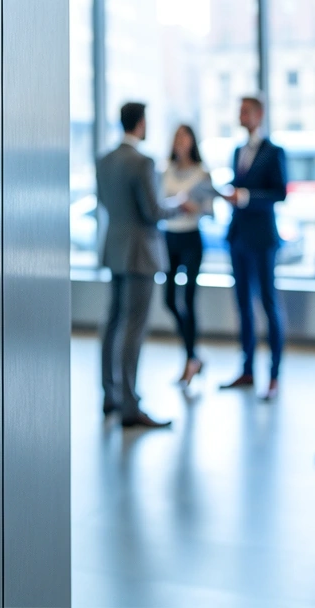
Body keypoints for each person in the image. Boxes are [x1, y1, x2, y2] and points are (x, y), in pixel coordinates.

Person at [97, 102, 195, 429]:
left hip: (114, 248)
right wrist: (178, 205)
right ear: (140, 123)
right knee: (133, 327)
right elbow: (154, 212)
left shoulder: (105, 160)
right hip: (140, 252)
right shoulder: (142, 162)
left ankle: (110, 394)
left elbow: (105, 202)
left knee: (113, 322)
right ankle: (130, 405)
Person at [220, 95, 287, 400]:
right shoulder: (237, 151)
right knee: (243, 307)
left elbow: (279, 193)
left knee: (269, 305)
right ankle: (247, 369)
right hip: (238, 238)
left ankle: (273, 376)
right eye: (240, 110)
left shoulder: (274, 152)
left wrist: (246, 197)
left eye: (246, 111)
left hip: (262, 240)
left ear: (259, 115)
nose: (241, 115)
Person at [162, 124, 214, 387]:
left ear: (193, 141)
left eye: (185, 137)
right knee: (169, 300)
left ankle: (190, 358)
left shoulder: (202, 173)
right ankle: (194, 354)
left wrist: (194, 207)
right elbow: (158, 204)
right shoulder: (166, 170)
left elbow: (210, 210)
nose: (180, 142)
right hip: (169, 237)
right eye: (177, 137)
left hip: (192, 237)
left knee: (189, 299)